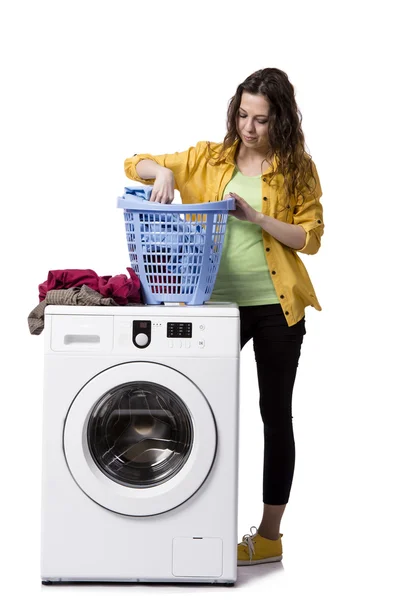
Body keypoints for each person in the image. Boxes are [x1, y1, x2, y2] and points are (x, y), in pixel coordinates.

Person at [124, 67, 324, 566]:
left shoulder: (297, 168)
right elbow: (133, 162)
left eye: (260, 119)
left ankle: (270, 536)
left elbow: (310, 239)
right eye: (242, 115)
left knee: (275, 418)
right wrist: (164, 172)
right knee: (182, 405)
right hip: (217, 308)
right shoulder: (210, 158)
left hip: (279, 309)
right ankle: (176, 516)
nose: (248, 128)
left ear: (281, 120)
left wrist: (256, 217)